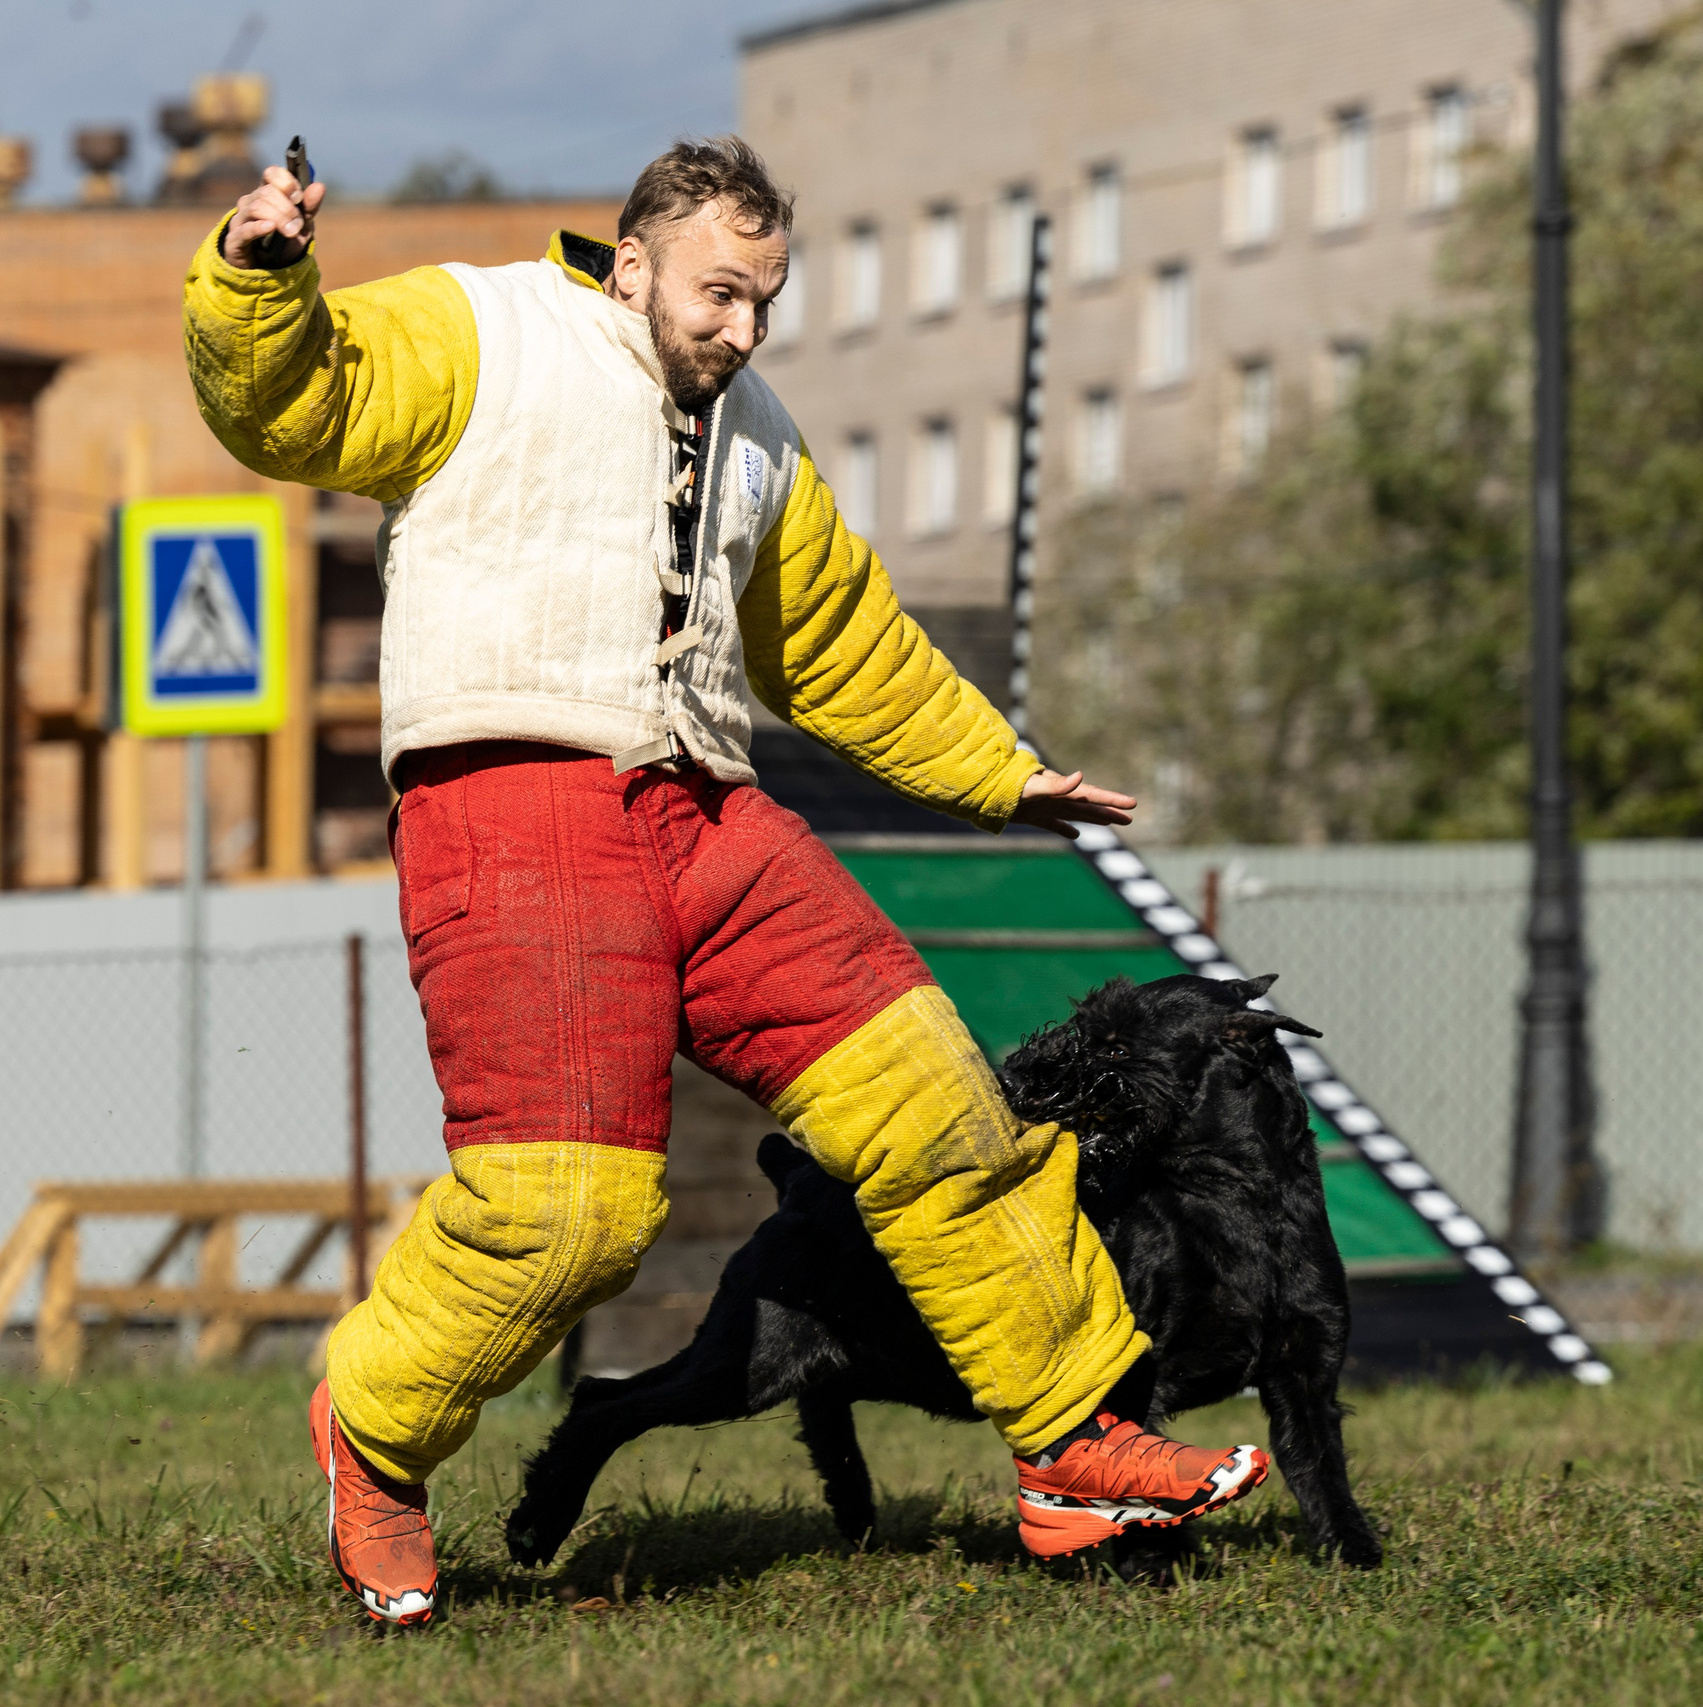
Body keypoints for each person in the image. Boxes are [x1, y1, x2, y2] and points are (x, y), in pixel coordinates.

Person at [183, 136, 1269, 1626]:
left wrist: (997, 772)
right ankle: (373, 1434)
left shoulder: (755, 428)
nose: (745, 328)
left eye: (766, 300)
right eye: (720, 295)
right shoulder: (479, 328)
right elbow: (303, 396)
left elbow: (835, 635)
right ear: (631, 264)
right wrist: (258, 282)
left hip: (710, 817)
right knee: (574, 1214)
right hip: (517, 803)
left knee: (944, 1112)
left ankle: (1073, 1447)